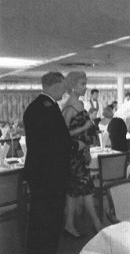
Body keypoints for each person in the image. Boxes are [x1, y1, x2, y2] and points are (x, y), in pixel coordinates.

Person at [24, 72, 82, 254]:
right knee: (51, 218)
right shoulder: (49, 107)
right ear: (55, 85)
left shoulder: (34, 107)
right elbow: (59, 141)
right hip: (51, 174)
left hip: (38, 172)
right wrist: (75, 145)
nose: (65, 90)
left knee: (38, 216)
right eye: (63, 86)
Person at [62, 71, 103, 237]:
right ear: (73, 86)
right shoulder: (69, 106)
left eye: (86, 83)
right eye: (82, 84)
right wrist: (85, 128)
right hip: (73, 156)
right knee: (86, 188)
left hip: (80, 155)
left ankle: (69, 224)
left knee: (74, 191)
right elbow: (62, 134)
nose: (86, 87)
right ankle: (97, 223)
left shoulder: (77, 104)